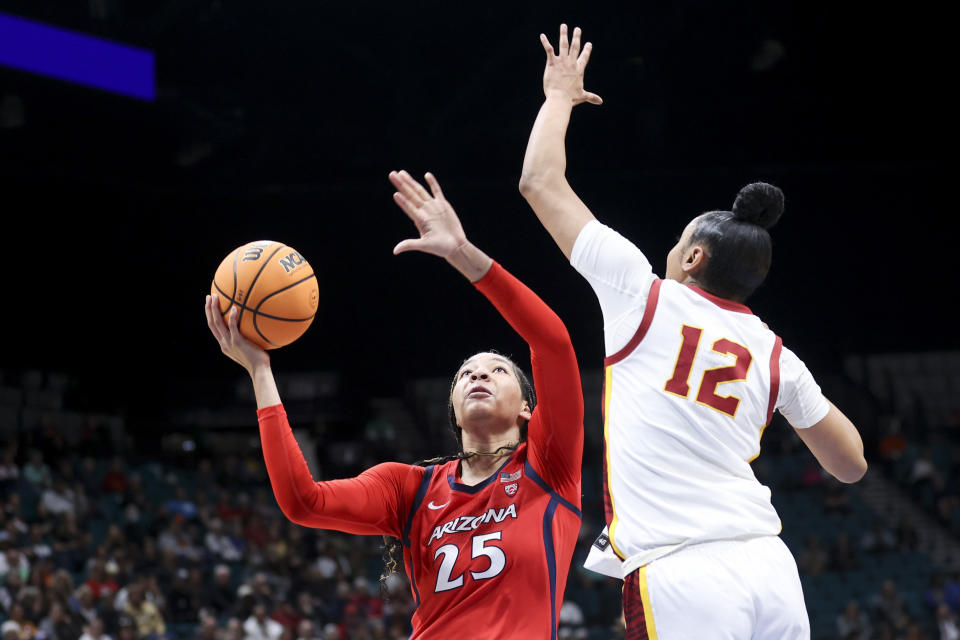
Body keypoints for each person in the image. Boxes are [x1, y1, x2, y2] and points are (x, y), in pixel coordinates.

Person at [518, 23, 867, 639]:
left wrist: (558, 98)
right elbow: (852, 464)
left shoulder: (643, 294)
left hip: (683, 570)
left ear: (694, 259)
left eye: (677, 244)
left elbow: (540, 183)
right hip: (770, 567)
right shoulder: (775, 354)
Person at [204, 170, 584, 639]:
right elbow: (303, 502)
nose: (479, 375)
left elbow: (552, 342)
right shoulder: (410, 489)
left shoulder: (549, 464)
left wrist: (461, 254)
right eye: (466, 373)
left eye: (497, 370)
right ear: (453, 409)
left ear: (529, 409)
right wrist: (261, 372)